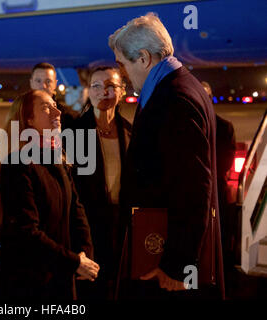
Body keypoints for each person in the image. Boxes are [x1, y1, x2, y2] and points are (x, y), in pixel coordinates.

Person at [109, 13, 225, 299]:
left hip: (165, 261)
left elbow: (195, 187)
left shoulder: (174, 98)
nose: (123, 75)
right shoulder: (183, 86)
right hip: (161, 246)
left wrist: (178, 265)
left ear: (144, 59)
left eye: (123, 65)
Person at [0, 90, 99, 299]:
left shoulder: (58, 160)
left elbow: (76, 210)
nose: (57, 112)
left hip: (59, 276)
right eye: (46, 107)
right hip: (28, 284)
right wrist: (74, 262)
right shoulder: (16, 165)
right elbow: (26, 231)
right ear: (28, 119)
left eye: (55, 105)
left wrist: (85, 253)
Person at [72, 66, 131, 299]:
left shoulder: (130, 132)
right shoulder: (74, 132)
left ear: (122, 92)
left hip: (121, 226)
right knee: (90, 290)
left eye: (111, 86)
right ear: (89, 91)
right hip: (86, 227)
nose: (102, 91)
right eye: (96, 86)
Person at [201, 81, 237, 281]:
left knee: (219, 241)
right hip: (197, 194)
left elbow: (224, 164)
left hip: (217, 194)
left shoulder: (224, 127)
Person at [30, 62, 78, 129]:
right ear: (31, 83)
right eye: (38, 81)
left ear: (55, 84)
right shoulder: (20, 113)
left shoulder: (66, 117)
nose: (43, 86)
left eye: (48, 81)